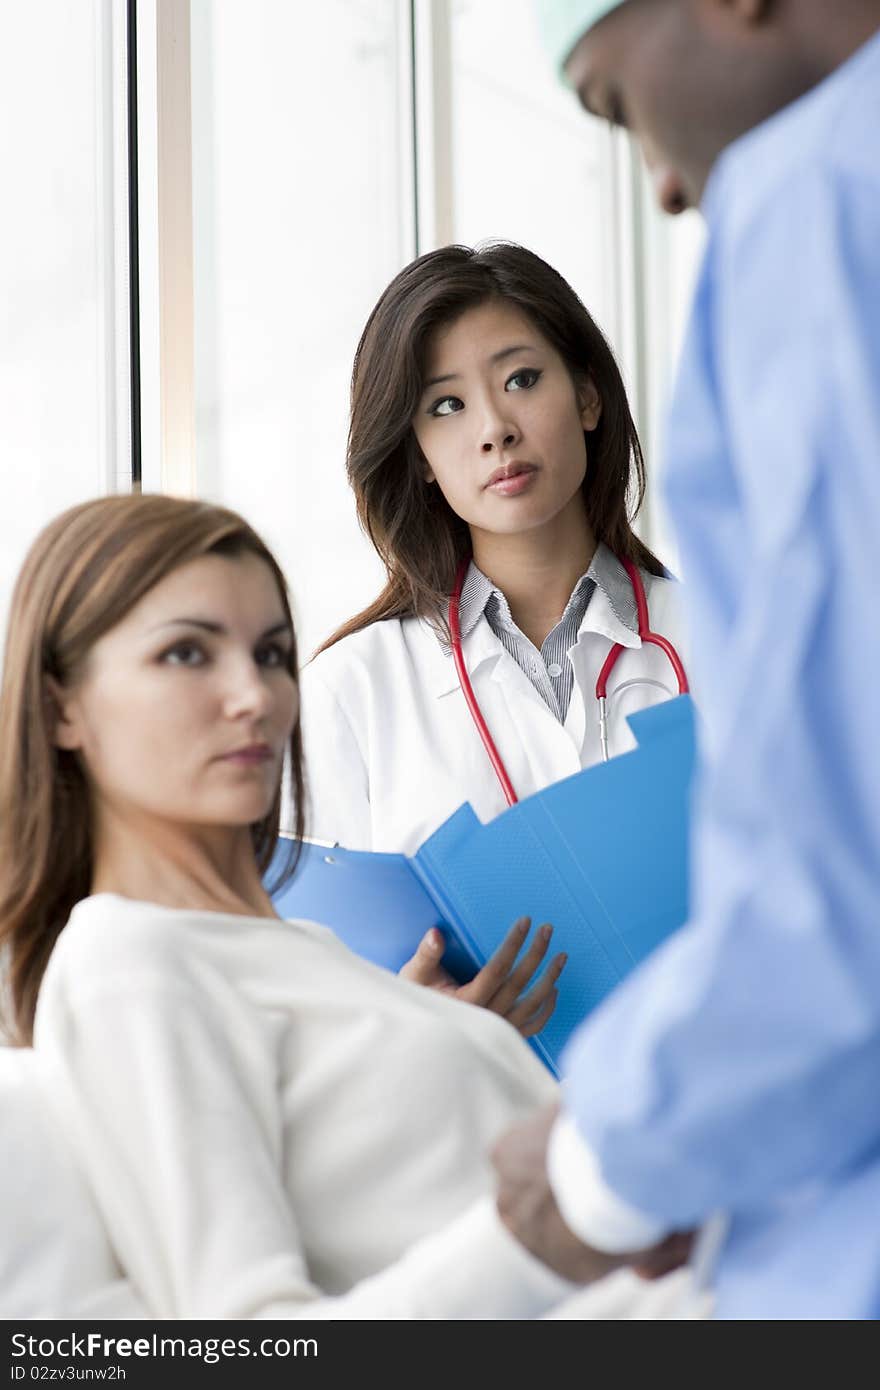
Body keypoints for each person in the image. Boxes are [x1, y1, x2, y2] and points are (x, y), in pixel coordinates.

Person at [1, 493, 681, 1319]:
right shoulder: (128, 963)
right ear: (59, 706)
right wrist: (532, 1233)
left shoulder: (309, 952)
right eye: (186, 654)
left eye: (274, 654)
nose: (254, 695)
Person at [492, 0, 880, 1319]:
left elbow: (845, 897)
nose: (659, 185)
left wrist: (605, 1165)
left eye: (614, 101)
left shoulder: (820, 197)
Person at [299, 241, 690, 984]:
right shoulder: (351, 691)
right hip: (476, 1096)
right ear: (418, 455)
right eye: (446, 405)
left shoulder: (725, 641)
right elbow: (318, 999)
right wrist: (415, 1023)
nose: (494, 429)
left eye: (521, 379)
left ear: (587, 396)